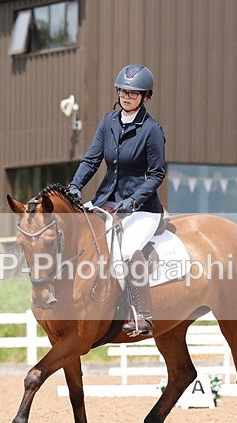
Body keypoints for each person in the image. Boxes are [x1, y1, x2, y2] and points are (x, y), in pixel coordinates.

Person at [67, 64, 165, 336]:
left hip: (142, 208)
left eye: (133, 94)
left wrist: (133, 201)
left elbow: (157, 174)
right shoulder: (108, 122)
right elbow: (92, 160)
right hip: (106, 202)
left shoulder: (151, 130)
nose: (126, 96)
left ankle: (142, 315)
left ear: (145, 96)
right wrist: (75, 185)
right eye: (122, 91)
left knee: (124, 251)